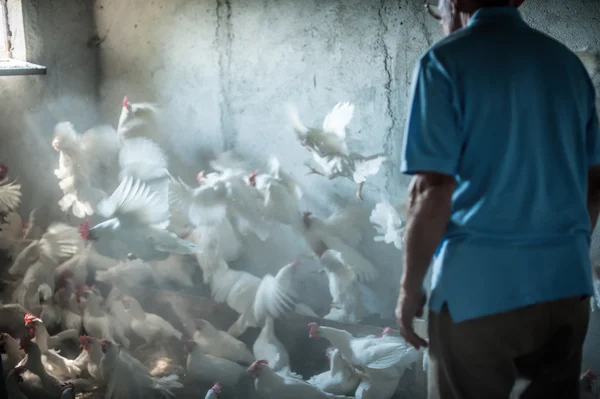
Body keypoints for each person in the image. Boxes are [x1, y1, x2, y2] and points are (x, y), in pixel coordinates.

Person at [394, 0, 600, 398]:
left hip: (479, 293)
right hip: (566, 286)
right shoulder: (568, 66)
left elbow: (432, 190)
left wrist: (409, 288)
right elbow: (596, 184)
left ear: (451, 4)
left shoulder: (443, 61)